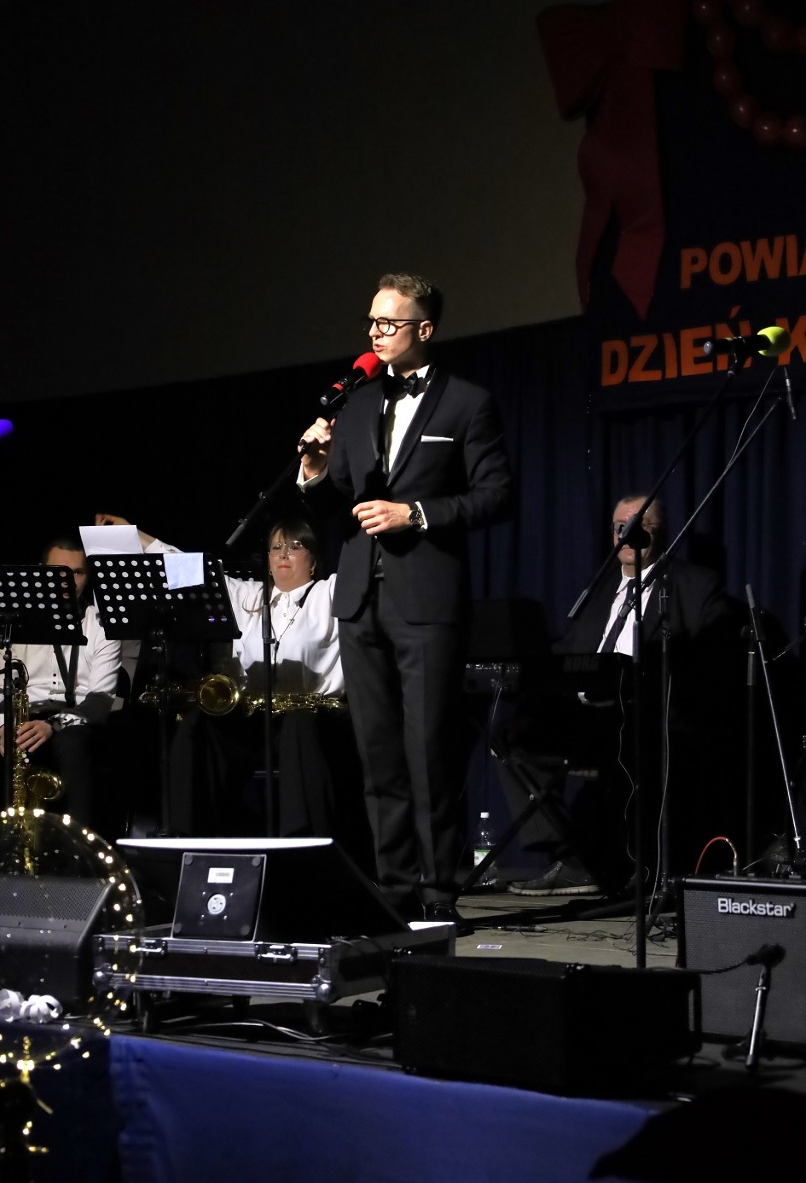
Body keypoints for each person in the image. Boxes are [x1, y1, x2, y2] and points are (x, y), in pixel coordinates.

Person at [297, 272, 513, 924]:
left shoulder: (467, 403)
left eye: (388, 322)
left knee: (429, 750)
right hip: (360, 597)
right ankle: (392, 887)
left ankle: (439, 888)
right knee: (378, 753)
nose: (375, 332)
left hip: (426, 600)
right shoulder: (357, 403)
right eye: (371, 321)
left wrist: (413, 513)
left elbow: (496, 496)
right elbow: (340, 500)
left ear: (424, 328)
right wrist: (314, 472)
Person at [93, 513, 372, 866]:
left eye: (295, 546)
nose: (283, 554)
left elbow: (368, 571)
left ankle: (301, 851)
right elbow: (185, 567)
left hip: (312, 718)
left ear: (314, 560)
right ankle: (187, 844)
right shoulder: (247, 596)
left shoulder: (329, 593)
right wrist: (135, 536)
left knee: (300, 726)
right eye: (276, 548)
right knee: (198, 726)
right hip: (253, 716)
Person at [495, 494, 739, 897]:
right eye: (619, 527)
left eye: (639, 526)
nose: (627, 535)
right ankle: (575, 859)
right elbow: (568, 651)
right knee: (511, 737)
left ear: (661, 532)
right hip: (587, 716)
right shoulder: (600, 589)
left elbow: (710, 659)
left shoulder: (694, 585)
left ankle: (626, 866)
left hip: (648, 719)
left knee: (633, 746)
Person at [0, 537, 123, 831]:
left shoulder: (102, 625)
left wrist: (53, 725)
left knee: (72, 745)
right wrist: (4, 726)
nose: (68, 582)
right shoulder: (15, 622)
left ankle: (81, 847)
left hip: (75, 722)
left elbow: (100, 700)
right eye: (59, 572)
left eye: (77, 573)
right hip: (21, 718)